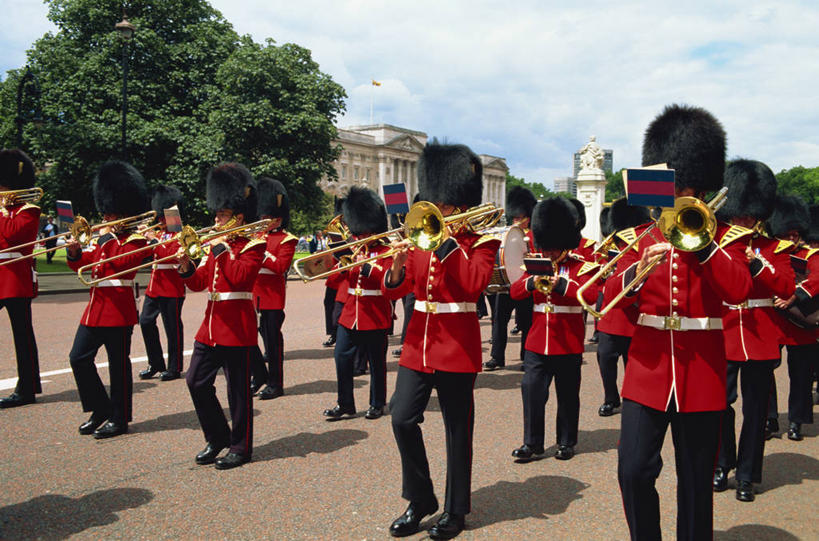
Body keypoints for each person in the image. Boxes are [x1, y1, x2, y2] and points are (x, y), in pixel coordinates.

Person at [611, 105, 752, 540]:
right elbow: (610, 299)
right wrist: (637, 275)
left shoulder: (727, 238)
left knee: (695, 487)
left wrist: (705, 245)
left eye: (689, 186)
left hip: (703, 373)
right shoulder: (642, 238)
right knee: (633, 471)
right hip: (647, 371)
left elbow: (739, 290)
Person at [382, 142, 500, 539]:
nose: (438, 208)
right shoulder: (418, 239)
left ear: (460, 203)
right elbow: (399, 291)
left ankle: (456, 509)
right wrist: (396, 268)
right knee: (401, 419)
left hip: (457, 345)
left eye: (445, 203)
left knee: (457, 431)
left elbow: (472, 286)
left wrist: (446, 243)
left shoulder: (482, 244)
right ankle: (421, 499)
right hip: (419, 342)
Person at [713, 160, 795, 502]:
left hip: (760, 337)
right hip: (724, 332)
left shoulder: (775, 248)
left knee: (756, 410)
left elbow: (787, 285)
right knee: (720, 404)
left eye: (749, 214)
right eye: (739, 214)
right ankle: (722, 464)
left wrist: (757, 263)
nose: (743, 220)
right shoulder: (714, 241)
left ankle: (748, 475)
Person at [178, 163, 265, 470]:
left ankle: (241, 447)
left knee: (238, 392)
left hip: (237, 325)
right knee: (196, 381)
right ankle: (217, 436)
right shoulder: (216, 245)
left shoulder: (255, 245)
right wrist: (187, 266)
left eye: (221, 215)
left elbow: (241, 278)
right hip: (211, 325)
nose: (215, 219)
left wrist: (220, 250)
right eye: (216, 214)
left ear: (238, 216)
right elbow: (201, 282)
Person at [509, 197, 600, 461]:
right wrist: (531, 283)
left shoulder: (581, 266)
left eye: (552, 247)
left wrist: (561, 285)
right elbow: (515, 291)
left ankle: (566, 441)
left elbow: (590, 294)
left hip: (568, 341)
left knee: (568, 395)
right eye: (545, 246)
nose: (548, 252)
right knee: (532, 392)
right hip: (538, 342)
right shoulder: (534, 264)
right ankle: (532, 443)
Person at [66, 161, 149, 438]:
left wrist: (105, 239)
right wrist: (76, 252)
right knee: (78, 358)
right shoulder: (106, 239)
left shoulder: (136, 240)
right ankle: (100, 407)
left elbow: (125, 262)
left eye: (109, 213)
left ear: (123, 212)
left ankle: (120, 417)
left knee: (118, 365)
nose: (104, 218)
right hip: (96, 309)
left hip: (118, 309)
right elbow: (87, 263)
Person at [323, 186, 393, 420]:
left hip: (375, 313)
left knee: (376, 363)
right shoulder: (351, 248)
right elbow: (333, 280)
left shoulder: (387, 250)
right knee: (341, 358)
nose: (361, 235)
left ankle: (377, 403)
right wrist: (338, 263)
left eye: (365, 231)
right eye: (359, 231)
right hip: (350, 313)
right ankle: (345, 404)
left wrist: (363, 265)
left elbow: (386, 280)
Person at [768, 195, 818, 442]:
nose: (792, 237)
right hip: (774, 323)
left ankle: (796, 420)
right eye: (788, 233)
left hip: (800, 324)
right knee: (764, 371)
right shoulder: (769, 251)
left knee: (800, 376)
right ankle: (770, 418)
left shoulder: (811, 254)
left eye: (795, 233)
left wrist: (793, 297)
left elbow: (816, 278)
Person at [594, 198, 650, 416]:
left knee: (632, 362)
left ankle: (632, 397)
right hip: (612, 315)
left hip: (635, 314)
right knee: (605, 356)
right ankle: (611, 397)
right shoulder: (611, 247)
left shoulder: (641, 243)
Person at [0, 149, 41, 408]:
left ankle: (27, 388)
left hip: (16, 278)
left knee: (22, 336)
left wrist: (3, 211)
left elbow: (14, 234)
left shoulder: (29, 209)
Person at [251, 177, 297, 400]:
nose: (263, 220)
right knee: (248, 338)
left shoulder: (287, 239)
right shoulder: (253, 235)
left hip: (271, 296)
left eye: (267, 217)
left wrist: (261, 254)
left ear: (278, 219)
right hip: (252, 295)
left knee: (272, 342)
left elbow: (280, 267)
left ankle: (275, 383)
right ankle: (259, 374)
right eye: (262, 216)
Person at [484, 186, 536, 371]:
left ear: (528, 218)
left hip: (524, 284)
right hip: (506, 283)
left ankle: (526, 357)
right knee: (499, 321)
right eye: (514, 217)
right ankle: (496, 357)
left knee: (526, 322)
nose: (516, 221)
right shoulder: (508, 234)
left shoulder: (533, 236)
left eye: (519, 217)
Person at [138, 186, 186, 382]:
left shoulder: (180, 233)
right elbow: (144, 256)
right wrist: (143, 240)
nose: (159, 220)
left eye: (163, 215)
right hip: (154, 286)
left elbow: (172, 256)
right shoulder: (159, 232)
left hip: (172, 287)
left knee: (172, 328)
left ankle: (174, 367)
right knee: (145, 322)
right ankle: (155, 362)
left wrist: (153, 241)